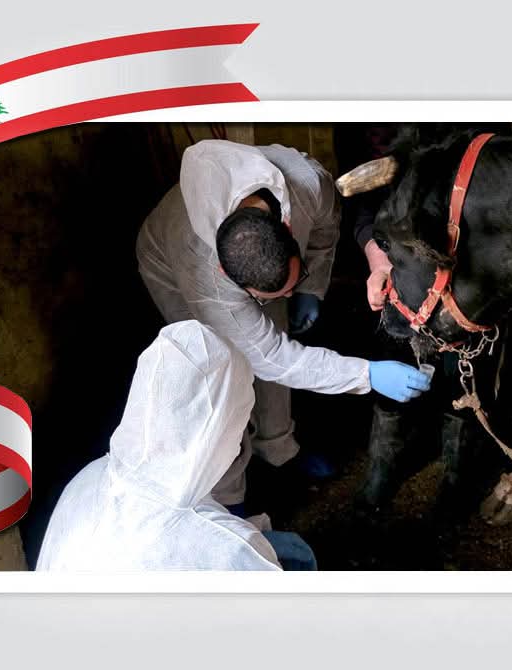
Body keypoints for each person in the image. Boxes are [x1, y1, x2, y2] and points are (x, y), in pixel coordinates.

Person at [135, 139, 430, 511]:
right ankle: (229, 500)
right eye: (275, 293)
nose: (286, 296)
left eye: (293, 278)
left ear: (288, 228)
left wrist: (309, 287)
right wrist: (367, 374)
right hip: (170, 268)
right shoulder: (208, 278)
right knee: (222, 375)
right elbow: (274, 359)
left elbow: (324, 230)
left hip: (261, 267)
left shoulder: (307, 183)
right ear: (227, 274)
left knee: (276, 331)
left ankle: (278, 448)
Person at [36, 321, 315, 572]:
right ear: (221, 432)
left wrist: (243, 539)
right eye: (240, 419)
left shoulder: (89, 477)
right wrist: (251, 550)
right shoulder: (231, 552)